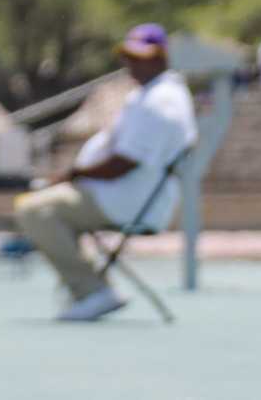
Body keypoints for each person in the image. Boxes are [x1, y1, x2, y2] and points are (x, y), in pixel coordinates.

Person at [12, 24, 196, 322]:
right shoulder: (157, 94)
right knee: (42, 206)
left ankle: (93, 291)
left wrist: (75, 173)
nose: (131, 63)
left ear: (161, 57)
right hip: (117, 194)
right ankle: (93, 287)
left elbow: (123, 163)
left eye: (141, 56)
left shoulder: (160, 101)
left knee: (34, 210)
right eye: (128, 56)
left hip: (123, 199)